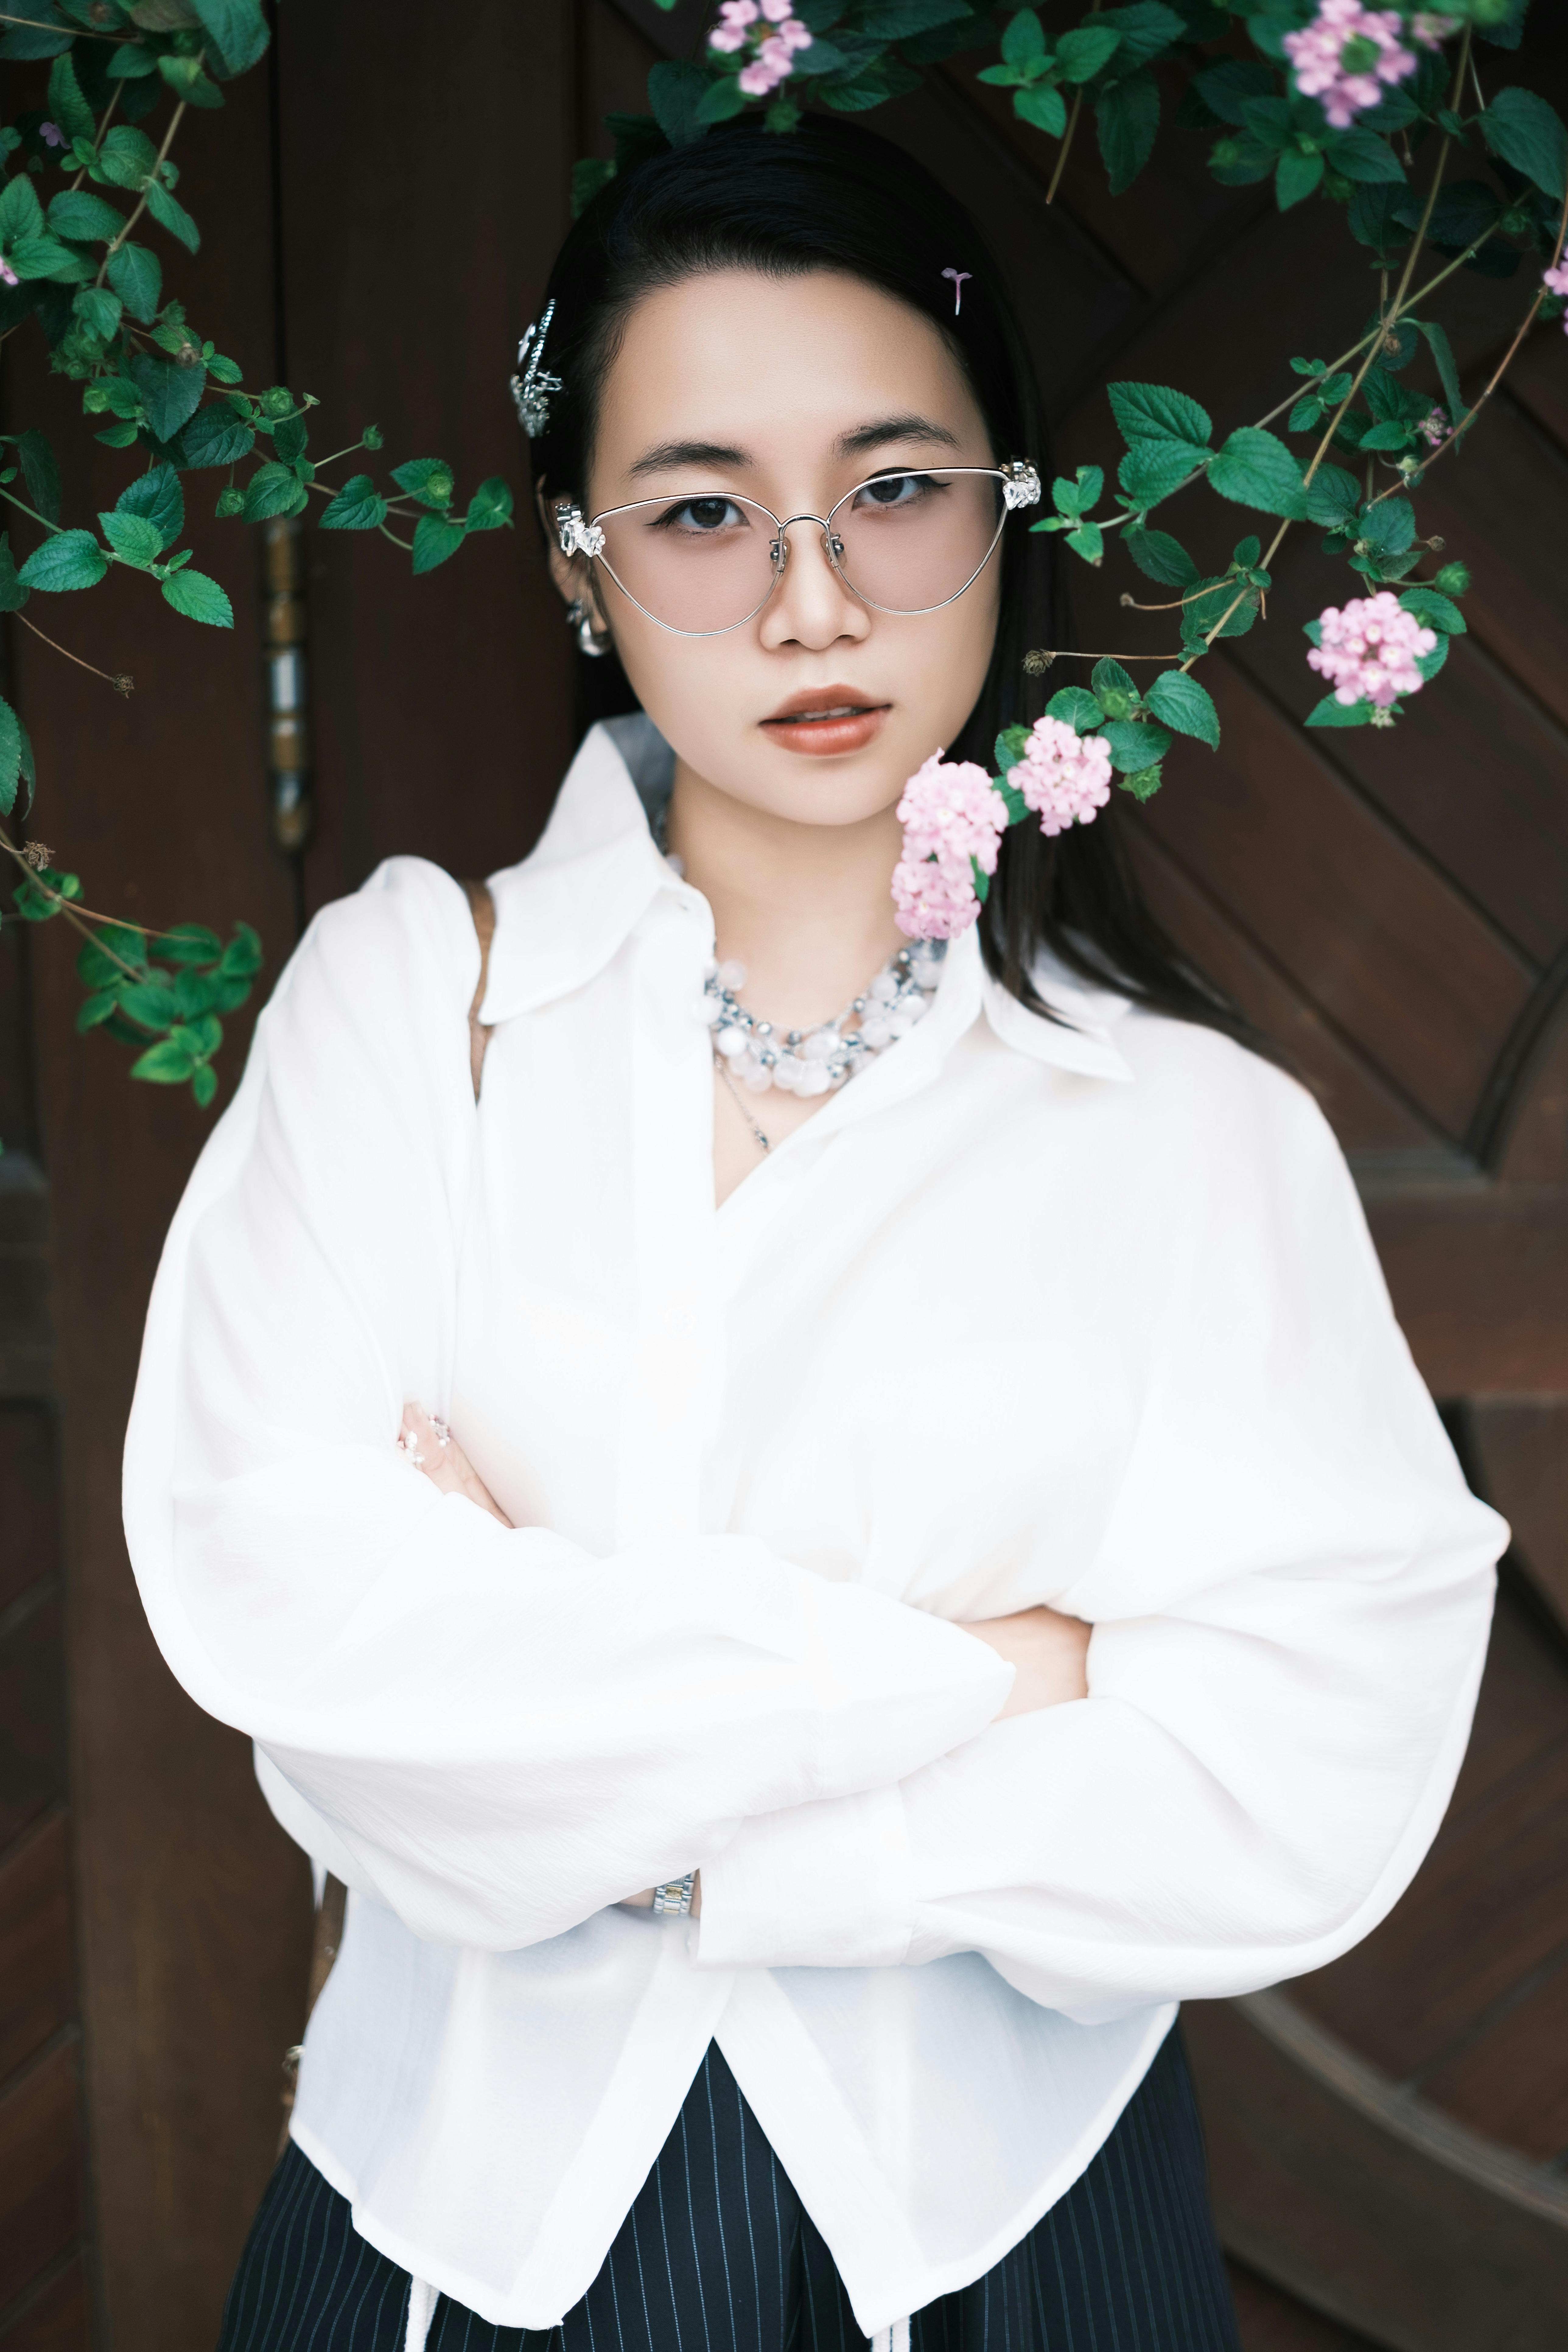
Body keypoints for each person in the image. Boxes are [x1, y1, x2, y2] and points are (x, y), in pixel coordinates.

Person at [123, 116, 1504, 2352]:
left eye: (891, 489)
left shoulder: (1187, 1134)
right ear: (582, 567)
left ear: (1005, 504)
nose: (811, 603)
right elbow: (317, 1656)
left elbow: (1294, 1773)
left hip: (1022, 2240)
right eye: (697, 512)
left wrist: (636, 1780)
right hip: (465, 2234)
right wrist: (1000, 1674)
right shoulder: (413, 1011)